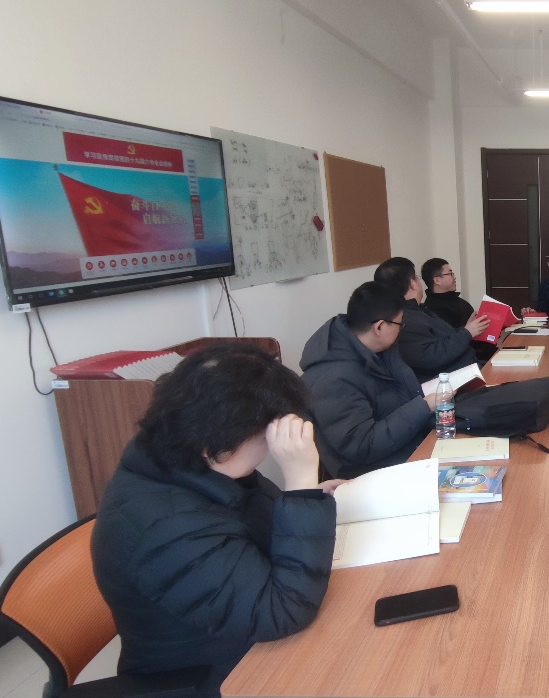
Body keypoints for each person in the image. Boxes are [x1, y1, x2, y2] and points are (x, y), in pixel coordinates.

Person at [91, 344, 342, 696]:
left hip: (247, 635)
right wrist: (300, 483)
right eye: (268, 435)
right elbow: (280, 612)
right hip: (216, 673)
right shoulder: (164, 526)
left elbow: (260, 523)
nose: (274, 444)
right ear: (215, 445)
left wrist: (309, 496)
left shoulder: (199, 461)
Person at [300, 281, 437, 478]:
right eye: (399, 324)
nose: (401, 329)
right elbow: (362, 445)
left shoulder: (380, 350)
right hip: (374, 474)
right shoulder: (332, 379)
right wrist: (423, 407)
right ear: (379, 327)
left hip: (411, 446)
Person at [374, 257, 486, 381]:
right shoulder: (405, 320)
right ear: (412, 283)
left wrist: (467, 328)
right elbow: (432, 356)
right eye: (416, 277)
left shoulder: (419, 310)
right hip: (456, 380)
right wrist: (467, 333)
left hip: (468, 367)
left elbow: (445, 336)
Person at [420, 257, 473, 329]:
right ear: (437, 280)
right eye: (450, 274)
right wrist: (469, 329)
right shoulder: (433, 310)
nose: (454, 277)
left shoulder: (460, 302)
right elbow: (448, 335)